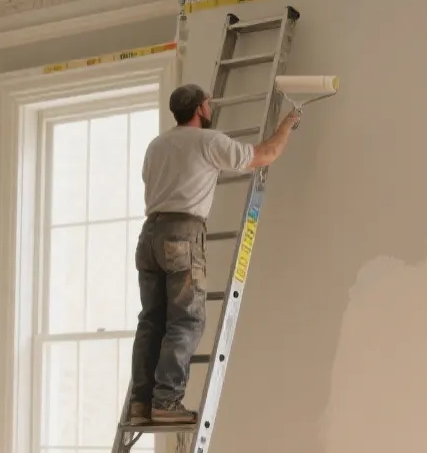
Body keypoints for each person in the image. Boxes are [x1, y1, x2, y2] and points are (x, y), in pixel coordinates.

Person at [126, 83, 299, 425]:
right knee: (187, 318)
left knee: (151, 321)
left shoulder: (156, 145)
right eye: (208, 102)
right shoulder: (209, 141)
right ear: (200, 110)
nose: (210, 106)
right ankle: (167, 401)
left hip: (149, 235)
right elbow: (264, 155)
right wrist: (287, 125)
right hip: (182, 235)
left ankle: (140, 404)